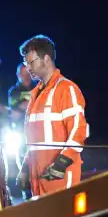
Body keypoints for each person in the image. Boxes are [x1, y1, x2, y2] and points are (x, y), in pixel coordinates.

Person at [17, 34, 89, 197]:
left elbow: (79, 132)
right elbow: (34, 140)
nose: (28, 68)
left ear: (47, 59)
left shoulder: (67, 89)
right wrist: (25, 167)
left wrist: (62, 163)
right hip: (38, 181)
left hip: (60, 180)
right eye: (25, 63)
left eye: (31, 62)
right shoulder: (35, 95)